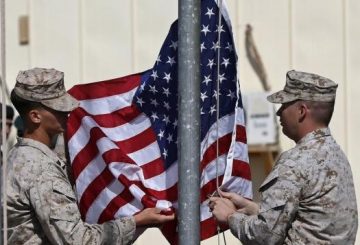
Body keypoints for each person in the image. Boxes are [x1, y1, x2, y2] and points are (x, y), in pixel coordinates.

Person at [6, 68, 174, 244]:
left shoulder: (18, 156)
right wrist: (136, 221)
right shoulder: (40, 168)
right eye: (57, 108)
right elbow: (78, 240)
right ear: (35, 116)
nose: (66, 112)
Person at [209, 70, 358, 244]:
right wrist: (249, 207)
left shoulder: (295, 161)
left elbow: (265, 235)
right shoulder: (337, 155)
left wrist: (229, 217)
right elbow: (306, 218)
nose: (279, 112)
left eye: (285, 104)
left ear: (301, 111)